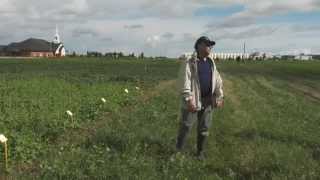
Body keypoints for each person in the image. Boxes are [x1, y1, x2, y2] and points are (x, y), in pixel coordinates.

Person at [176, 36, 224, 159]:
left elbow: (217, 80)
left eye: (211, 45)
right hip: (192, 100)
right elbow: (184, 80)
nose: (210, 47)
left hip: (208, 101)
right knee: (185, 127)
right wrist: (188, 99)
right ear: (199, 45)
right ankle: (178, 153)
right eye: (207, 44)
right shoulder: (189, 61)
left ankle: (200, 153)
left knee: (204, 128)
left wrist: (219, 96)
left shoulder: (210, 62)